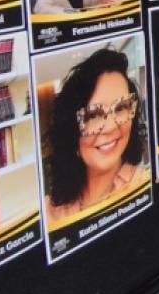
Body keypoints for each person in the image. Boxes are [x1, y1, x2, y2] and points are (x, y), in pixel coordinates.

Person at [45, 49, 149, 224]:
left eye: (121, 107)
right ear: (71, 129)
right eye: (93, 115)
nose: (110, 127)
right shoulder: (50, 210)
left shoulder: (144, 186)